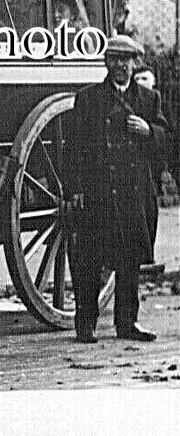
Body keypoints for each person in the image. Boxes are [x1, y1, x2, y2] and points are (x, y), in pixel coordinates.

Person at [62, 35, 167, 343]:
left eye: (126, 60)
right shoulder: (89, 98)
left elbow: (168, 140)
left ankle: (127, 323)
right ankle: (86, 324)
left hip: (135, 192)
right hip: (99, 191)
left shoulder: (150, 99)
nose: (121, 65)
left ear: (135, 64)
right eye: (114, 59)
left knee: (130, 261)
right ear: (106, 62)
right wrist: (74, 189)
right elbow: (73, 149)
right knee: (90, 260)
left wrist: (150, 132)